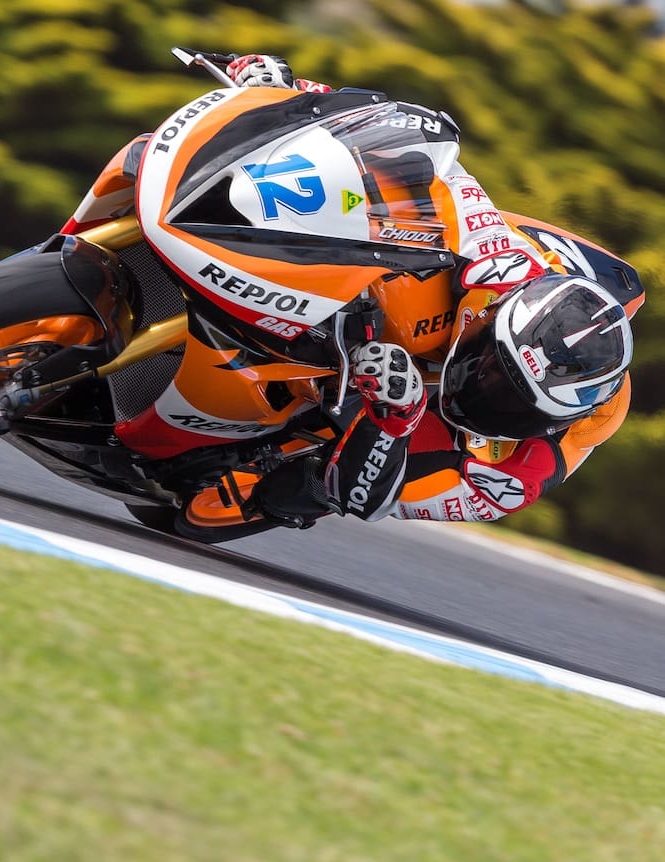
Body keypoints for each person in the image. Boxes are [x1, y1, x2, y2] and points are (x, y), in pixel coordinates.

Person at [223, 54, 639, 527]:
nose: (482, 387)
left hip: (446, 433)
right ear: (496, 318)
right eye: (490, 366)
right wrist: (290, 92)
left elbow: (370, 501)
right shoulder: (496, 264)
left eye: (508, 400)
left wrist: (395, 420)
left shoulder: (514, 476)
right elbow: (421, 152)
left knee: (304, 495)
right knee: (378, 210)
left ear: (549, 423)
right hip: (525, 272)